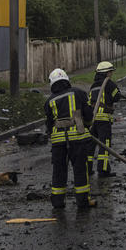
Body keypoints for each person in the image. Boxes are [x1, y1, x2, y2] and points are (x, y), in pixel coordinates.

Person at [44, 68, 95, 210]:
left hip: (58, 142)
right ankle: (83, 202)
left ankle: (58, 202)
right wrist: (88, 126)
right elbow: (88, 114)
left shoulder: (49, 101)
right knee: (80, 170)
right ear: (66, 80)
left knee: (59, 171)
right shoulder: (78, 93)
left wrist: (52, 135)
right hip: (77, 139)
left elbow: (49, 124)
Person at [88, 61, 123, 177]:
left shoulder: (93, 86)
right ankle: (103, 171)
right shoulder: (110, 84)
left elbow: (89, 102)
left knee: (91, 145)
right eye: (110, 72)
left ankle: (87, 170)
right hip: (103, 120)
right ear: (106, 73)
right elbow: (117, 96)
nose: (111, 74)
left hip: (92, 120)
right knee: (104, 145)